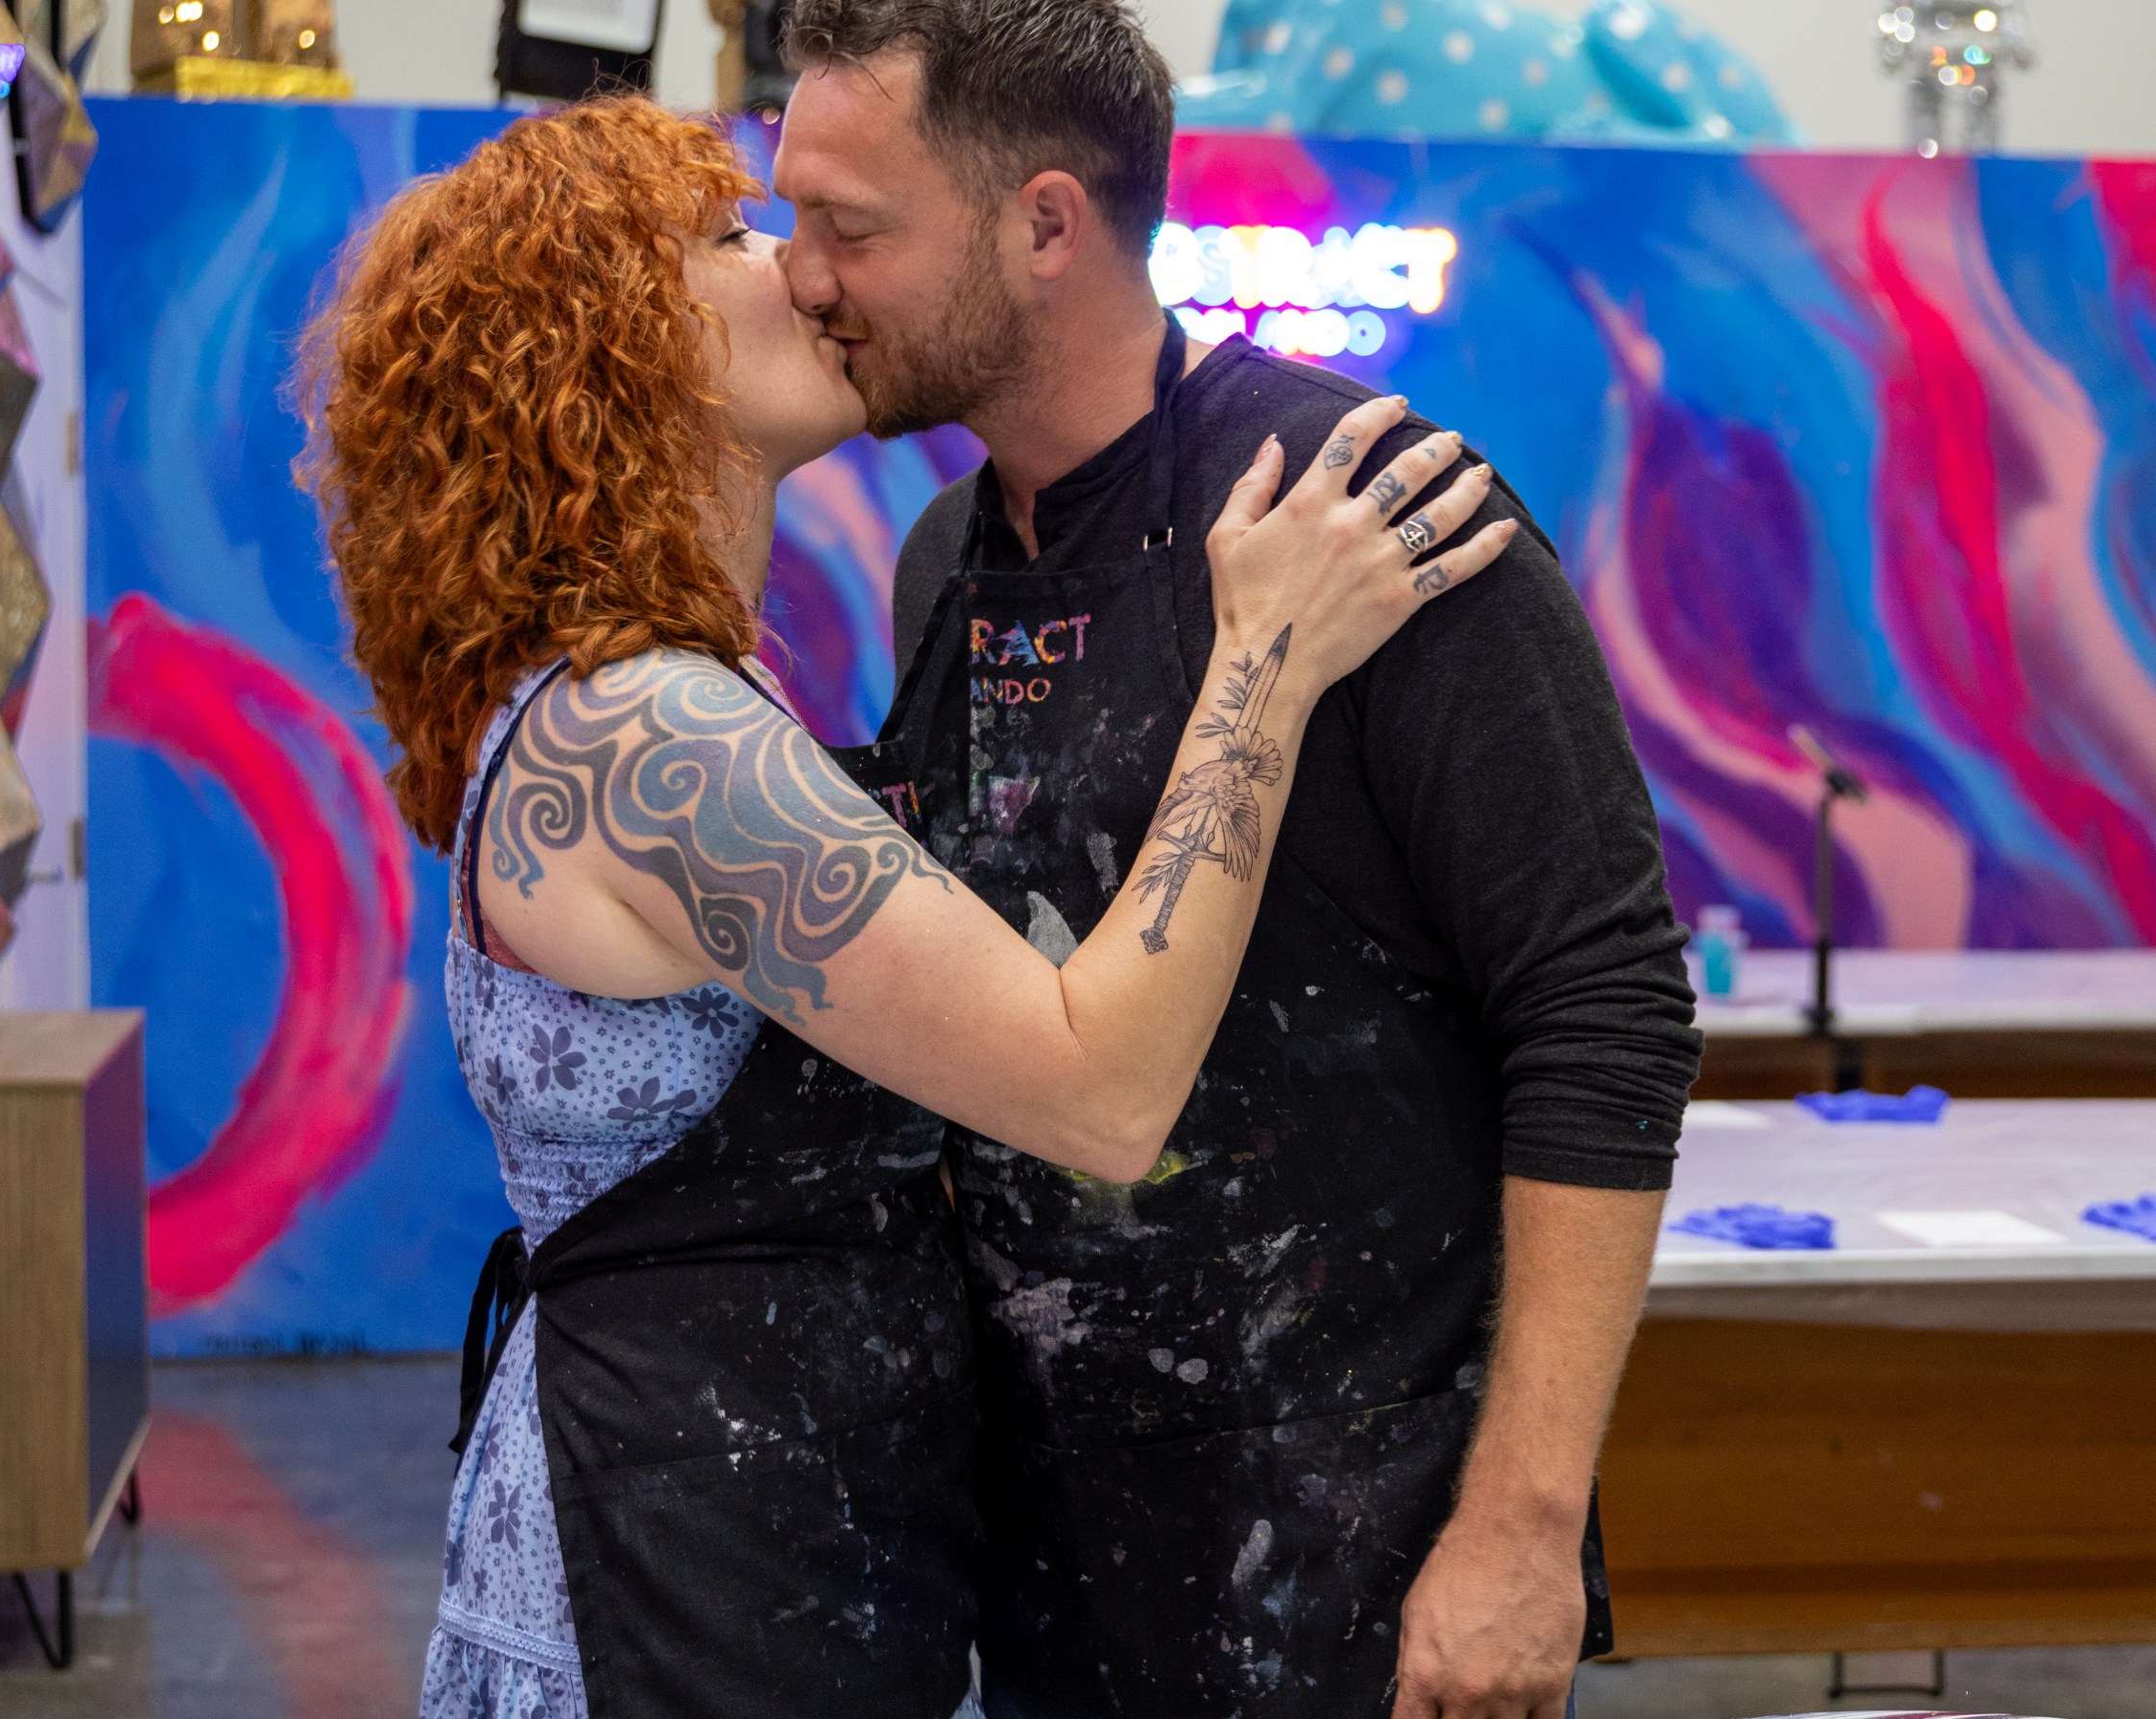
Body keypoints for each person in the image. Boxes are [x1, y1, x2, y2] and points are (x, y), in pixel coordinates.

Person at [295, 96, 1514, 1719]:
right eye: (736, 240)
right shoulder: (653, 735)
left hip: (761, 1531)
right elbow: (1099, 1085)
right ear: (601, 344)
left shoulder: (641, 702)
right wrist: (1267, 662)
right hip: (685, 1571)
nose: (803, 274)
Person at [771, 3, 1705, 1716]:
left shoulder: (1383, 516)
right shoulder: (940, 570)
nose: (805, 278)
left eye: (851, 226)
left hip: (1365, 1550)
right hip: (1054, 1563)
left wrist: (1518, 1530)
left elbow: (1605, 1008)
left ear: (1045, 224)